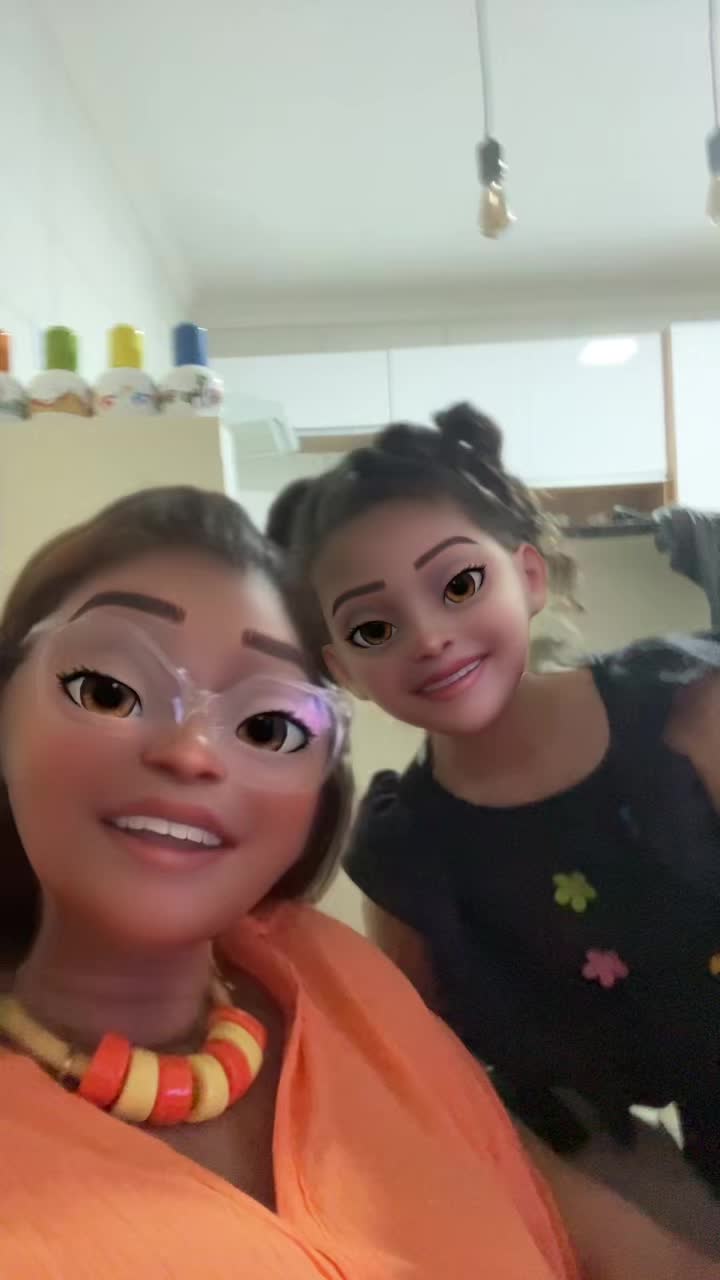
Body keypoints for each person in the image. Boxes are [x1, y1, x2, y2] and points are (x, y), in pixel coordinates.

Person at [3, 486, 710, 1278]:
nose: (193, 752)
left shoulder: (329, 972)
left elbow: (548, 1197)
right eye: (107, 690)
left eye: (268, 726)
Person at [272, 402, 720, 1224]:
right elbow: (436, 1072)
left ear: (530, 577)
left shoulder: (686, 710)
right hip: (629, 1168)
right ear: (345, 670)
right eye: (373, 627)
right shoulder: (405, 852)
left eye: (459, 585)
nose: (428, 637)